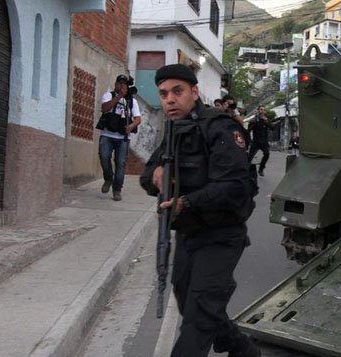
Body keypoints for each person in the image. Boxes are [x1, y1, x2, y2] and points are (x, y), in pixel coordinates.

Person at [138, 64, 260, 357]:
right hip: (189, 235)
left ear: (194, 92)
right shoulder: (174, 132)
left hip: (221, 235)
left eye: (177, 92)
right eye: (164, 93)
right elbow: (146, 175)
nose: (170, 99)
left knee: (200, 312)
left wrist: (186, 203)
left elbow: (234, 186)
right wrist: (155, 175)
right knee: (188, 301)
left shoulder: (220, 127)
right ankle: (242, 348)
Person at [98, 74, 142, 201]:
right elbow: (104, 108)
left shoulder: (132, 101)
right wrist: (119, 96)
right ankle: (108, 178)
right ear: (116, 84)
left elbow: (138, 119)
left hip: (122, 137)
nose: (121, 86)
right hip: (107, 135)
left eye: (124, 84)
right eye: (119, 83)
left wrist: (131, 126)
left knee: (121, 163)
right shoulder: (109, 95)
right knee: (104, 157)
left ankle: (117, 190)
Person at [246, 106, 273, 177]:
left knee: (267, 154)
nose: (262, 111)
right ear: (258, 111)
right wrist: (248, 141)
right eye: (261, 110)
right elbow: (248, 131)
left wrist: (266, 120)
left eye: (263, 110)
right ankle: (245, 171)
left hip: (264, 142)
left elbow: (272, 128)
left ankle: (261, 168)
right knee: (249, 157)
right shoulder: (254, 120)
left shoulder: (266, 120)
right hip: (255, 142)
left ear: (265, 112)